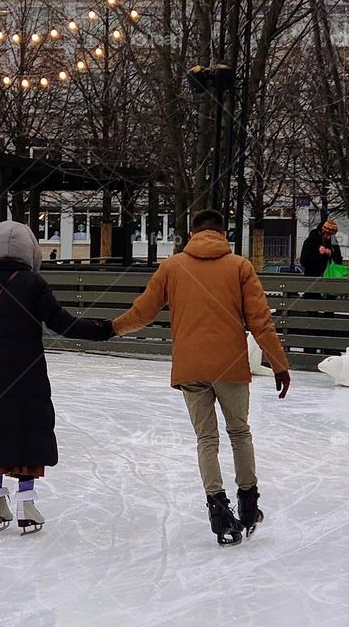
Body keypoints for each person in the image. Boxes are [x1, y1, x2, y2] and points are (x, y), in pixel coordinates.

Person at [111, 209, 291, 546]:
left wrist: (110, 328)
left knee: (206, 439)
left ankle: (220, 514)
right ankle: (249, 506)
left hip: (190, 368)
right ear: (223, 234)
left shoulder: (172, 266)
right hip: (230, 366)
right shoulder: (240, 266)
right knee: (239, 432)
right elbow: (260, 322)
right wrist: (278, 364)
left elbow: (143, 312)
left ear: (192, 234)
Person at [0, 221, 114, 534]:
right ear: (30, 250)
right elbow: (62, 324)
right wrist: (104, 330)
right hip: (26, 371)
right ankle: (25, 502)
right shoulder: (33, 284)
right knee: (27, 431)